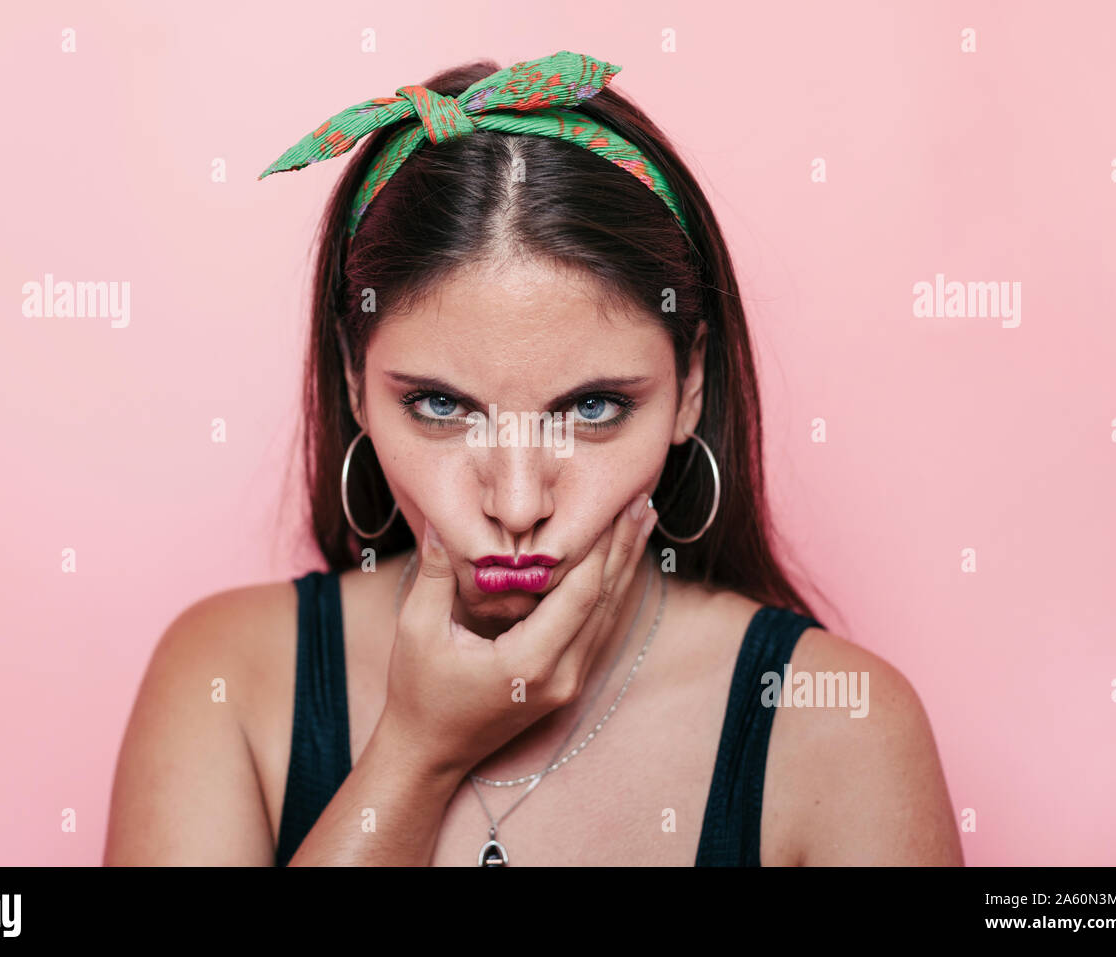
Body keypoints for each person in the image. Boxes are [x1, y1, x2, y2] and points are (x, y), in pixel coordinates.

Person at [104, 51, 963, 866]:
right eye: (440, 406)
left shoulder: (845, 727)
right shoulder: (226, 678)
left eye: (593, 409)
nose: (517, 504)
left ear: (690, 385)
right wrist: (415, 756)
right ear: (355, 383)